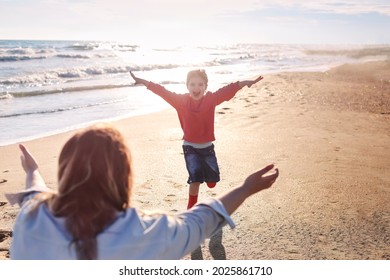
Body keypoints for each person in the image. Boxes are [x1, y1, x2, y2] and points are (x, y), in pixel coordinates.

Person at [6, 124, 278, 260]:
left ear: (66, 172)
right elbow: (200, 220)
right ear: (123, 176)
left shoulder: (31, 217)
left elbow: (35, 191)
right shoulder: (146, 232)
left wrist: (32, 169)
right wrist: (245, 189)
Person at [130, 70, 263, 209]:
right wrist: (143, 81)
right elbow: (162, 91)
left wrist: (243, 83)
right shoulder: (180, 101)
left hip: (208, 148)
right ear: (187, 86)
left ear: (206, 87)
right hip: (190, 147)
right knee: (195, 180)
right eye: (192, 84)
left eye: (200, 84)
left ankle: (209, 178)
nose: (196, 88)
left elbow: (226, 91)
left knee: (212, 182)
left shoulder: (211, 99)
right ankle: (191, 208)